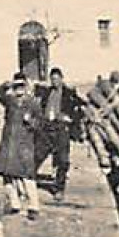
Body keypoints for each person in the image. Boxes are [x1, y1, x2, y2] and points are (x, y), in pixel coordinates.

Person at [0, 73, 45, 220]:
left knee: (27, 177)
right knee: (7, 175)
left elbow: (40, 125)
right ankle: (15, 204)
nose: (19, 89)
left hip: (24, 145)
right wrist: (7, 83)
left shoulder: (33, 103)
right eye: (16, 86)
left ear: (26, 86)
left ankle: (34, 207)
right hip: (8, 144)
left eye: (21, 86)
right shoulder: (10, 100)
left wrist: (31, 122)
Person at [33, 67, 84, 201]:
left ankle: (59, 189)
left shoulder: (69, 93)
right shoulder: (47, 92)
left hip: (61, 129)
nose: (54, 81)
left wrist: (71, 119)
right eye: (52, 79)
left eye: (57, 78)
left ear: (61, 78)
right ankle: (29, 184)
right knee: (38, 155)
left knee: (62, 160)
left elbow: (80, 108)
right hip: (47, 128)